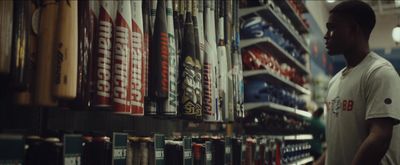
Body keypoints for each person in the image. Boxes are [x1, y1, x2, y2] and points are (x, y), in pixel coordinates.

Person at [314, 1, 400, 165]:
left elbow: (379, 137)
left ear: (353, 30)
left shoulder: (380, 73)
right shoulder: (334, 81)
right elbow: (337, 145)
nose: (326, 35)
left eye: (332, 28)